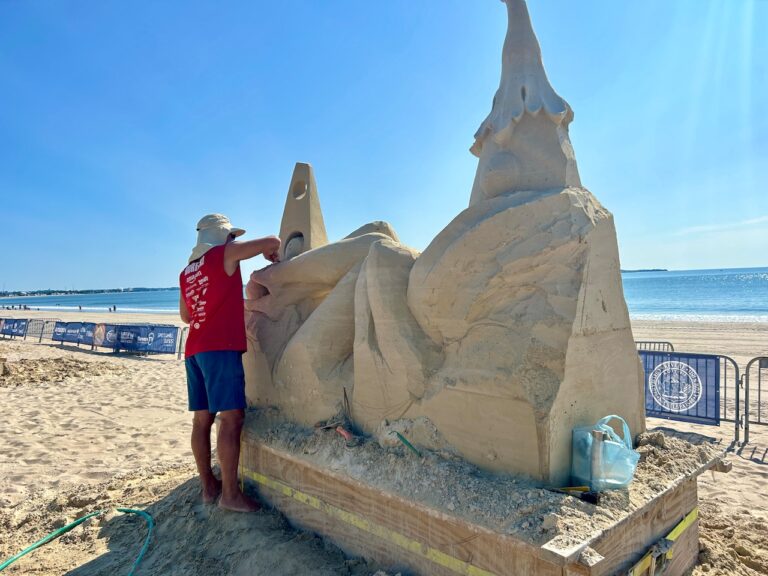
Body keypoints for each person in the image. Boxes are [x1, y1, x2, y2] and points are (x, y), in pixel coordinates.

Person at [179, 213, 280, 512]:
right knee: (231, 418)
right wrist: (267, 250)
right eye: (231, 236)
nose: (234, 241)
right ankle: (230, 495)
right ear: (222, 236)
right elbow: (273, 240)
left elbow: (186, 316)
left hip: (194, 349)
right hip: (220, 348)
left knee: (202, 420)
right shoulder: (223, 253)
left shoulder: (186, 272)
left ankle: (208, 487)